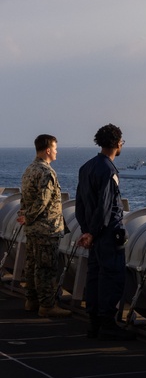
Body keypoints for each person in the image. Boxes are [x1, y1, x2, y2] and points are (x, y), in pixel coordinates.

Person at [76, 123, 133, 340]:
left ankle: (93, 323)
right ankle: (108, 323)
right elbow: (106, 206)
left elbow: (80, 203)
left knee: (94, 277)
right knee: (112, 277)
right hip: (108, 234)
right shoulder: (109, 170)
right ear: (117, 143)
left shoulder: (86, 167)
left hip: (93, 233)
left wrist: (86, 231)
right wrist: (94, 232)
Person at [18, 134, 70, 318]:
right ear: (48, 150)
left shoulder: (30, 169)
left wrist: (24, 216)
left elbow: (25, 198)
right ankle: (47, 305)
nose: (57, 152)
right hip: (46, 229)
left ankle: (31, 301)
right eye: (55, 148)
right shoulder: (47, 172)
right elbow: (43, 202)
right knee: (46, 268)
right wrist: (30, 217)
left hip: (33, 229)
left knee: (32, 265)